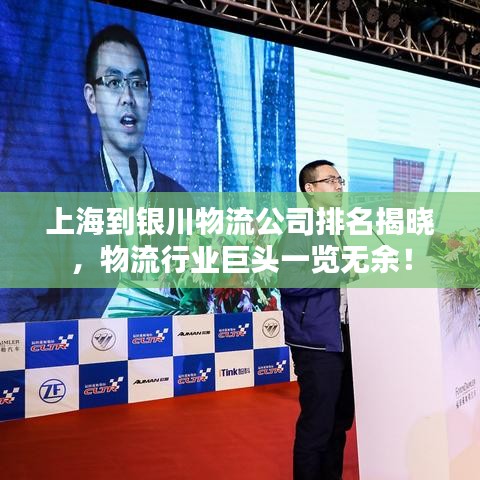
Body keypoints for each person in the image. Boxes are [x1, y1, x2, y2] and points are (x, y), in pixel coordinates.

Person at [9, 25, 188, 322]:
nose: (128, 97)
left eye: (137, 83)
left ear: (150, 98)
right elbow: (18, 311)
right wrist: (100, 312)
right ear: (91, 98)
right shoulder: (63, 199)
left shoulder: (179, 199)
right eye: (114, 82)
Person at [279, 160, 355, 480]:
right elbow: (289, 281)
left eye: (340, 180)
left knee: (340, 421)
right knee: (317, 425)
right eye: (330, 180)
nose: (338, 186)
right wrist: (339, 271)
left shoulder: (338, 228)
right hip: (316, 341)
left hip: (344, 335)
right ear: (310, 189)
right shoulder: (299, 229)